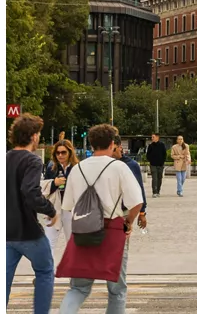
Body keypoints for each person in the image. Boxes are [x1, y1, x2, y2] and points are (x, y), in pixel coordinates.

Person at [58, 124, 143, 314]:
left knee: (78, 288)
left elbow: (67, 206)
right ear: (113, 144)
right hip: (112, 230)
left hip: (83, 231)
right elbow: (137, 202)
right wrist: (128, 221)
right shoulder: (119, 167)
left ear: (91, 144)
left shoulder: (77, 168)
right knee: (116, 290)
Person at [6, 114, 58, 314]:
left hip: (5, 232)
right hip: (28, 231)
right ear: (33, 136)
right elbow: (30, 192)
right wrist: (50, 210)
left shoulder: (4, 158)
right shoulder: (32, 161)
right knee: (45, 271)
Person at [43, 139, 79, 256]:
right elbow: (45, 189)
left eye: (63, 152)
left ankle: (76, 271)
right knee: (49, 243)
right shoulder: (51, 168)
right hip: (55, 208)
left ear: (70, 153)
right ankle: (49, 273)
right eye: (57, 153)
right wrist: (55, 183)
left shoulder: (77, 168)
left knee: (73, 242)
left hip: (71, 209)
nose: (60, 155)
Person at [112, 134, 148, 230]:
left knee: (122, 243)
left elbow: (139, 189)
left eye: (113, 149)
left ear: (120, 147)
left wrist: (142, 212)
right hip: (106, 213)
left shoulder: (131, 165)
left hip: (124, 211)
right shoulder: (104, 164)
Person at [145, 133, 167, 197]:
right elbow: (148, 155)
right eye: (152, 137)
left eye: (153, 137)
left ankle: (158, 191)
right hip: (153, 164)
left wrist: (162, 161)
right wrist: (150, 160)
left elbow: (164, 154)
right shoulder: (150, 146)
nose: (152, 138)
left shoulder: (162, 145)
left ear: (157, 137)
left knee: (159, 178)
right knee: (154, 178)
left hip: (160, 164)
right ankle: (154, 191)